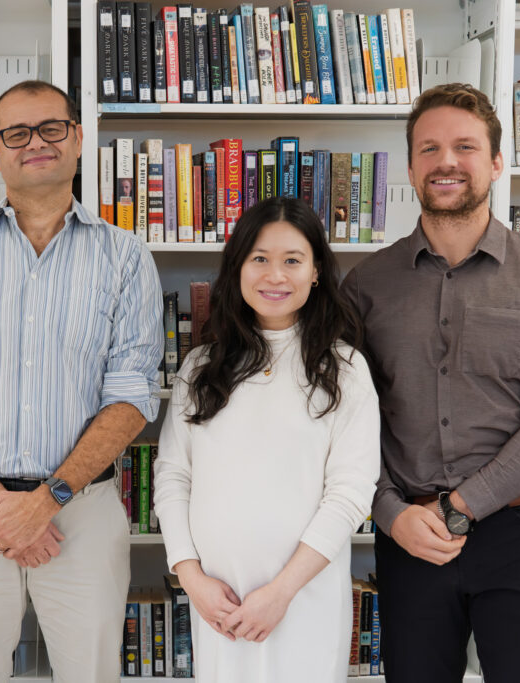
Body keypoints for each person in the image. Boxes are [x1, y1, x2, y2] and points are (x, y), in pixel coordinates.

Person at [0, 80, 163, 682]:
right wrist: (1, 506)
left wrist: (45, 503)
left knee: (92, 670)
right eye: (16, 133)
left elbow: (132, 395)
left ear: (77, 138)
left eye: (50, 128)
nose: (34, 143)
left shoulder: (125, 257)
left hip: (82, 508)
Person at [341, 83, 520, 683]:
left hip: (519, 534)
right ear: (410, 166)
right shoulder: (366, 286)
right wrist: (389, 512)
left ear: (496, 161)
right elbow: (343, 422)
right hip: (409, 537)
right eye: (429, 148)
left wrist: (458, 509)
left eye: (465, 146)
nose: (446, 161)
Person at [154, 196, 381, 682]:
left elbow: (350, 491)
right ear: (237, 268)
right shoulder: (200, 368)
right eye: (259, 259)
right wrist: (191, 579)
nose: (275, 275)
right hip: (217, 601)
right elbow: (173, 476)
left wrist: (280, 593)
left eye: (292, 261)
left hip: (304, 598)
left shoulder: (344, 370)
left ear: (316, 271)